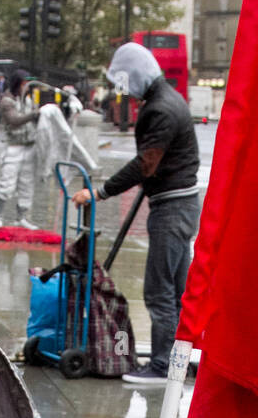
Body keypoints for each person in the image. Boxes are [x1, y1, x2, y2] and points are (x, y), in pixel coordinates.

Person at [72, 42, 200, 387]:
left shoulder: (160, 109)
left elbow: (146, 164)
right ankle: (178, 359)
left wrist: (99, 191)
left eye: (125, 83)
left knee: (159, 292)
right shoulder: (166, 101)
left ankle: (162, 365)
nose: (124, 93)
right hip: (180, 205)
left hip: (173, 209)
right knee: (177, 292)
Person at [0, 71, 41, 229]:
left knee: (27, 184)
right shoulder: (7, 101)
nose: (25, 87)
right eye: (23, 84)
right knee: (7, 183)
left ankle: (21, 217)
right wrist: (32, 115)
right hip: (13, 146)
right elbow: (13, 120)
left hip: (29, 146)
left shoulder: (27, 100)